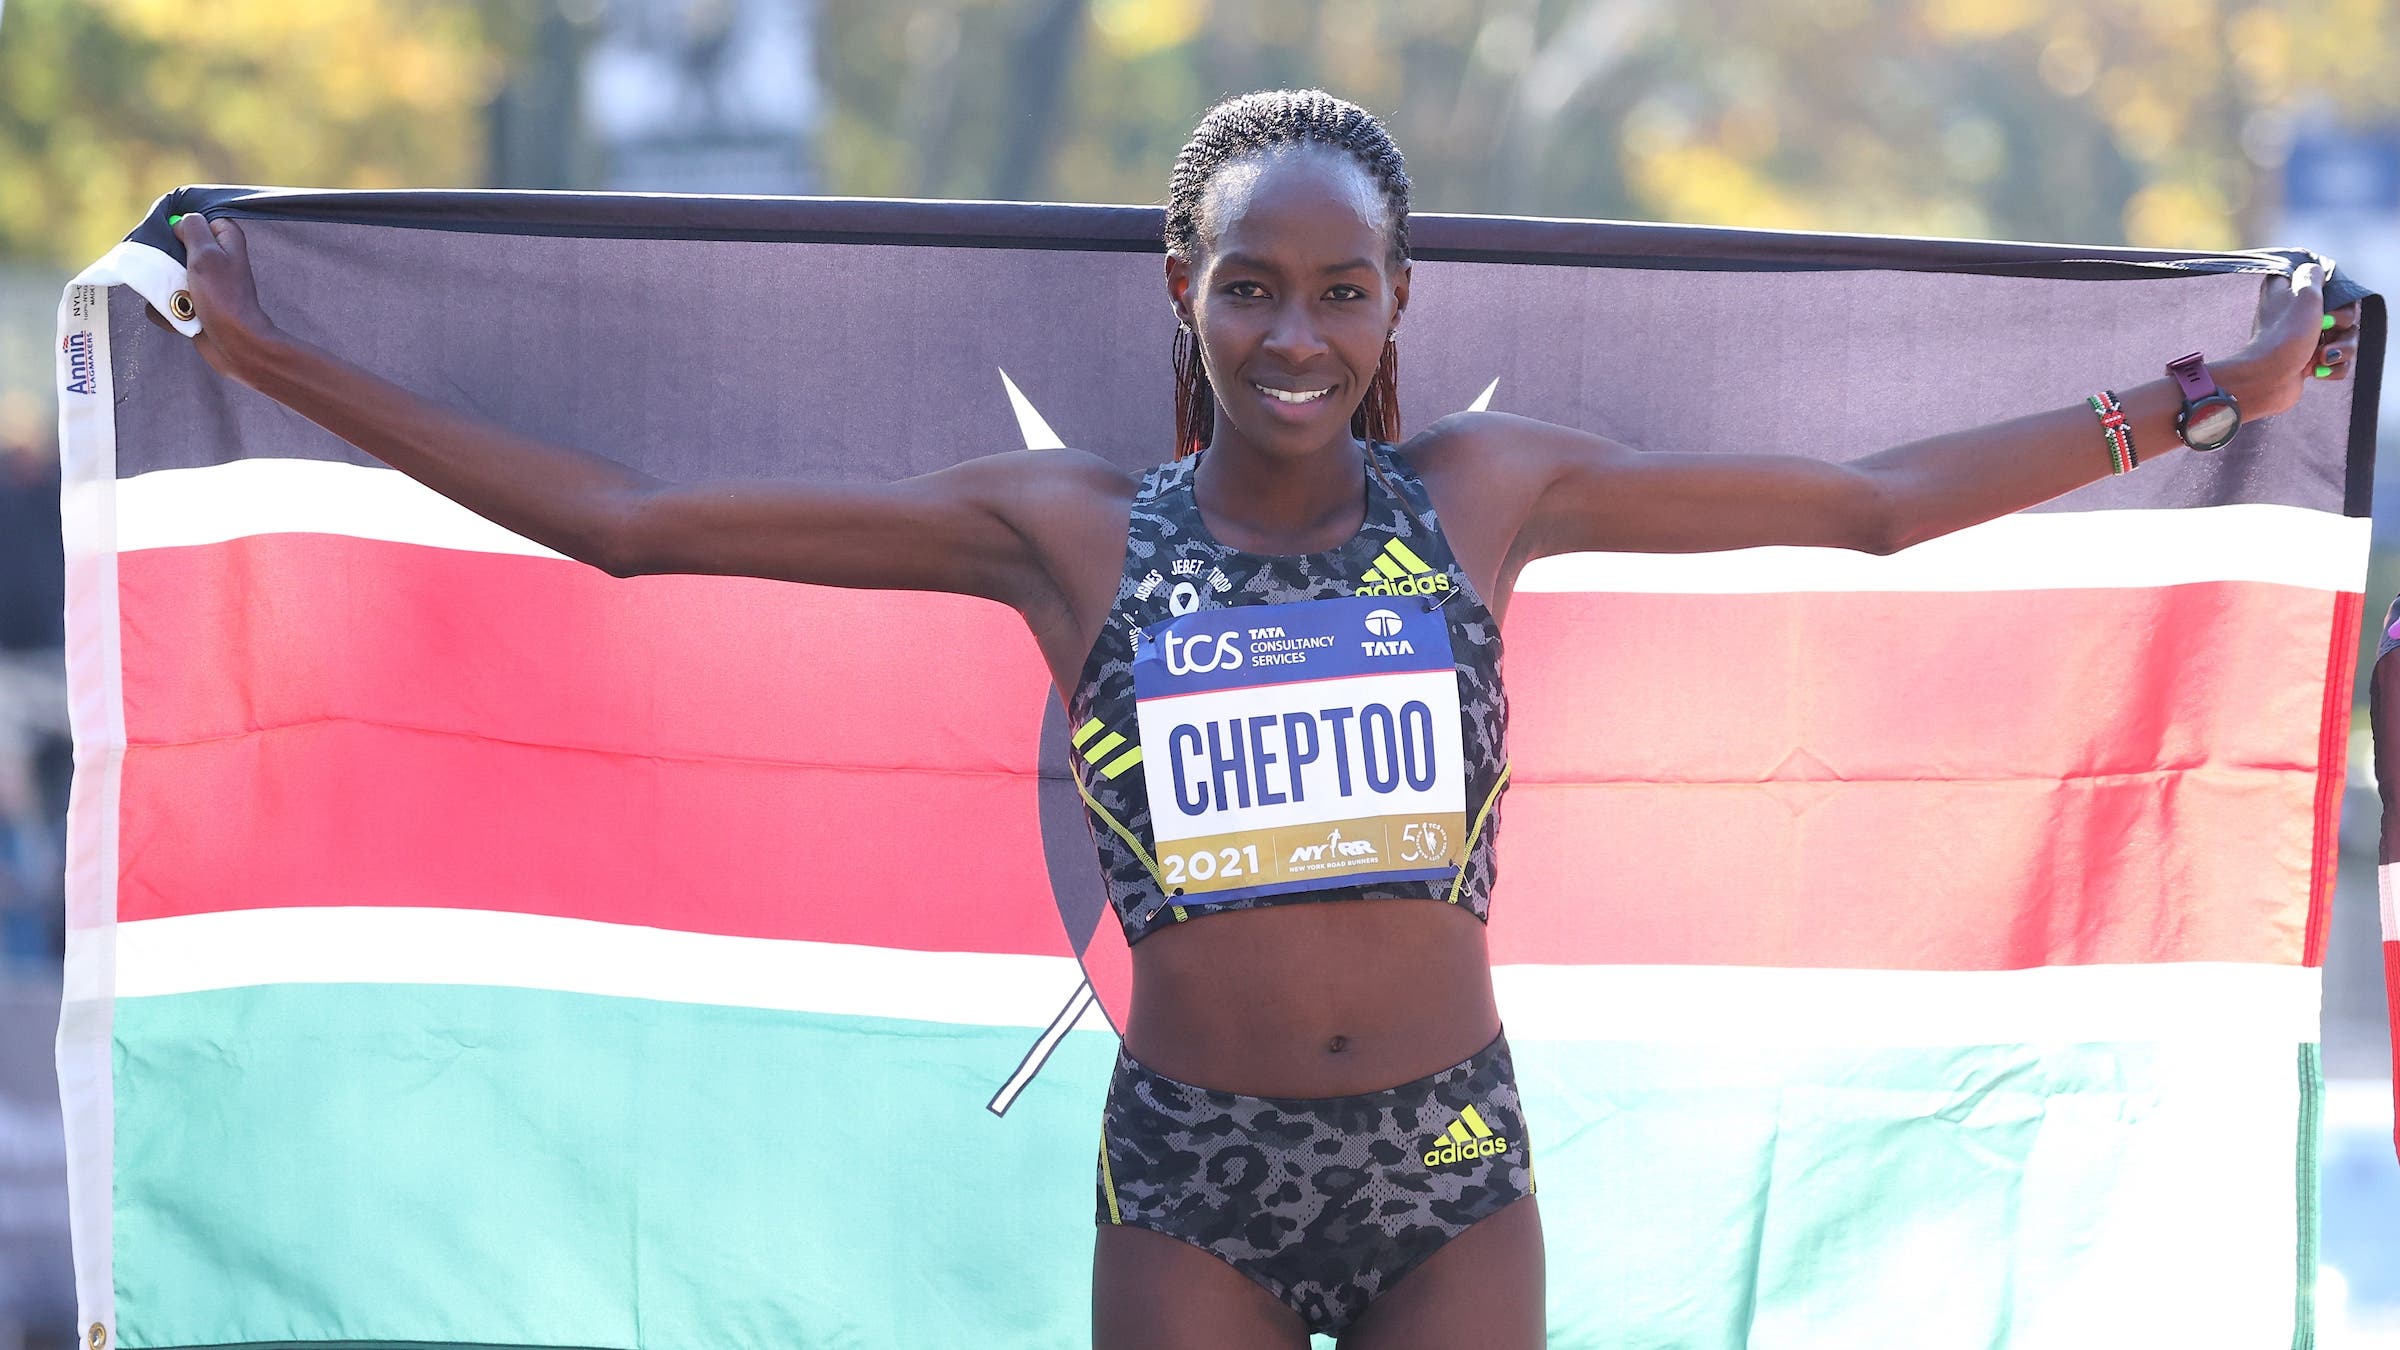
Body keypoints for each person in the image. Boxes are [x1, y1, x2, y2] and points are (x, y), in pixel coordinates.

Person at [162, 89, 2357, 1350]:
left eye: (1338, 290)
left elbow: (1865, 506)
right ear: (1184, 294)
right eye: (1249, 286)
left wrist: (2198, 397)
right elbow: (635, 526)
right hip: (1195, 1171)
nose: (1293, 333)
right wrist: (278, 364)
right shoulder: (1061, 530)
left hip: (1451, 1162)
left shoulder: (1488, 494)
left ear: (1398, 307)